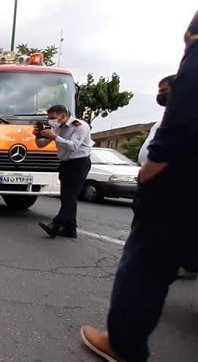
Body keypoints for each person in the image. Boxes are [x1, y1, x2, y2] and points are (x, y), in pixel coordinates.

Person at [81, 13, 198, 361]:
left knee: (146, 263)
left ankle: (124, 345)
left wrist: (153, 166)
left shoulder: (193, 61)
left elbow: (189, 97)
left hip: (179, 185)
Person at [138, 74, 196, 281]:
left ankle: (185, 263)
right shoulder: (165, 118)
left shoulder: (183, 118)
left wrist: (147, 172)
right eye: (159, 91)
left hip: (170, 184)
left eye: (164, 91)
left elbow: (165, 150)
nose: (160, 95)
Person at [34, 104, 93, 238]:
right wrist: (38, 135)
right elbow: (41, 144)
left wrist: (54, 137)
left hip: (79, 163)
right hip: (66, 164)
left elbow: (73, 146)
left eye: (53, 118)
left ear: (63, 116)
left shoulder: (80, 126)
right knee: (66, 196)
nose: (51, 121)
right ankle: (70, 229)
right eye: (49, 118)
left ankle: (56, 225)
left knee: (70, 196)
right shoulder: (57, 128)